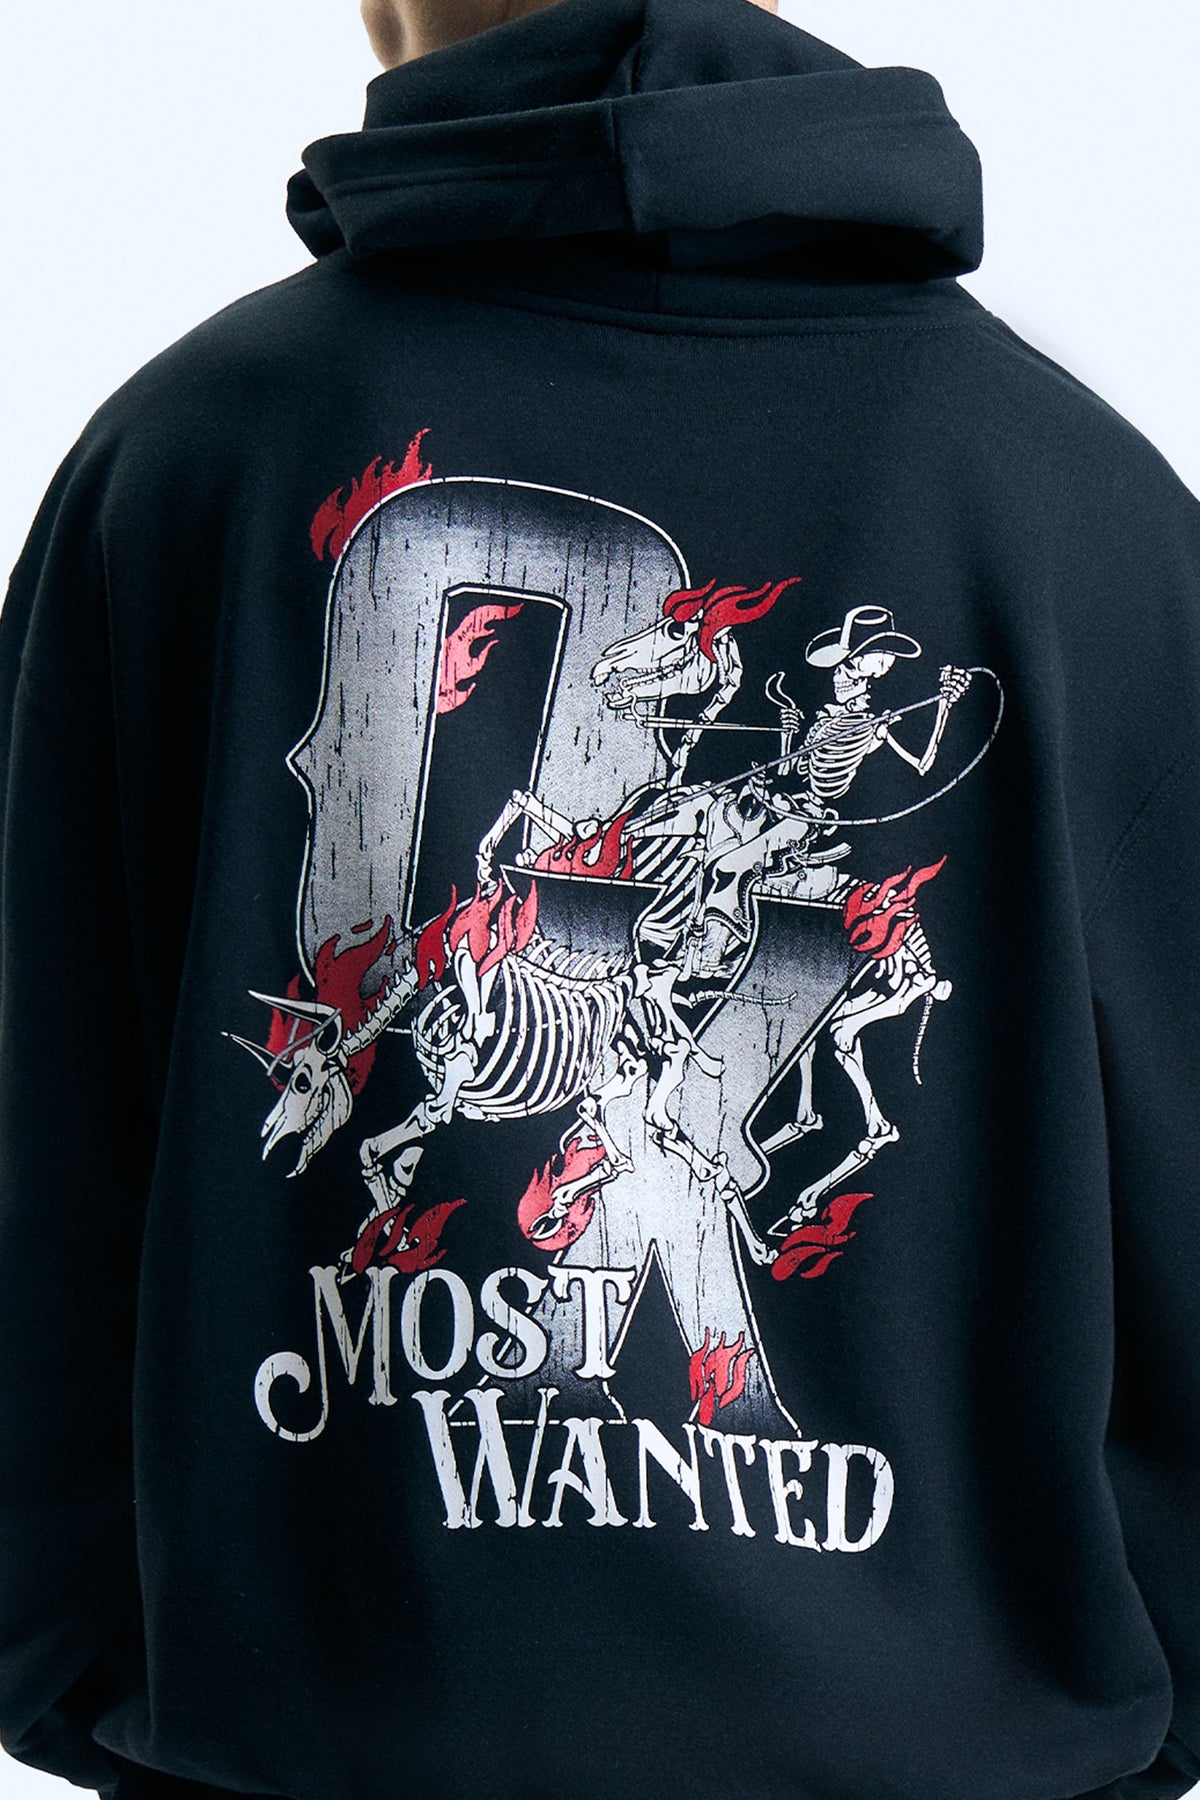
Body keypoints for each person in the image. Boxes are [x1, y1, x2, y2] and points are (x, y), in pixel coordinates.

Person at [2, 1, 1199, 1797]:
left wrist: (116, 1685)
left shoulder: (185, 458)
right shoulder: (1088, 502)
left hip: (317, 1738)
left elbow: (39, 1165)